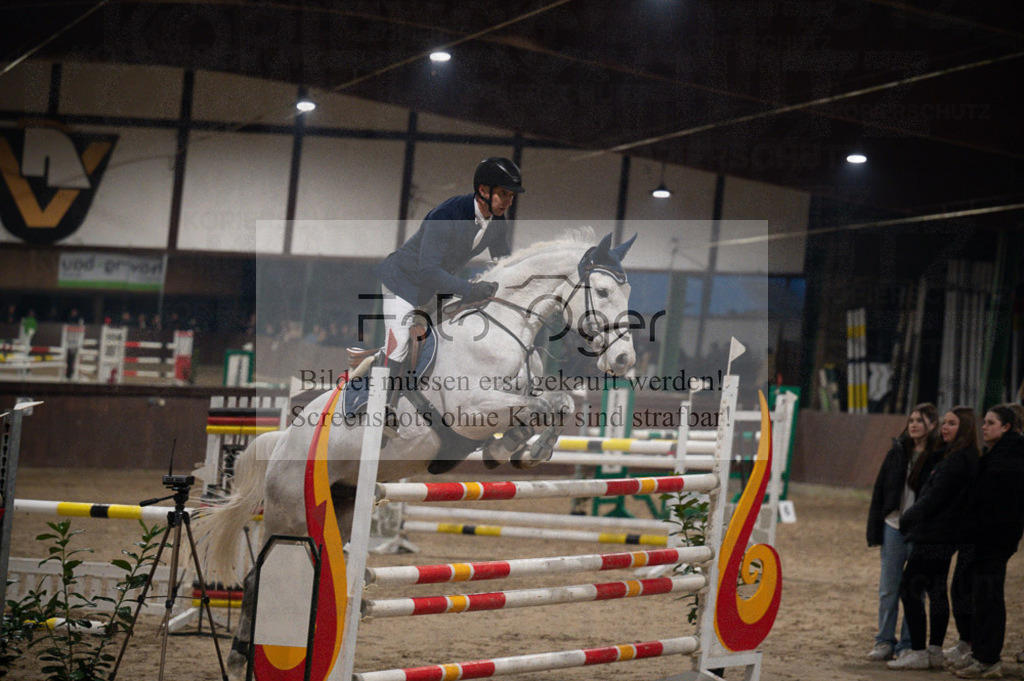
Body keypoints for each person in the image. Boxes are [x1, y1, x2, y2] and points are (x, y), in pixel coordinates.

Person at [372, 157, 523, 366]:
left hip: (435, 288)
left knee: (454, 337)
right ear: (483, 191)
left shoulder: (498, 223)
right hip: (403, 282)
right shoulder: (446, 215)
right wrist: (469, 289)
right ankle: (376, 398)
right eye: (503, 194)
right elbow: (428, 271)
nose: (508, 202)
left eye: (512, 195)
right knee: (398, 347)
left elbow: (504, 263)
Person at [887, 407, 980, 670]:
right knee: (937, 590)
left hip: (935, 536)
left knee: (909, 587)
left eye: (952, 423)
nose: (945, 428)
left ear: (965, 427)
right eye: (945, 423)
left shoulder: (958, 460)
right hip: (944, 536)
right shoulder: (960, 456)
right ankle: (935, 650)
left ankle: (918, 650)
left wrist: (908, 518)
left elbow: (934, 497)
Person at [947, 405, 1024, 678]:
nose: (984, 426)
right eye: (985, 422)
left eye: (991, 423)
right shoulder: (998, 454)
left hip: (992, 542)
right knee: (981, 598)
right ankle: (981, 655)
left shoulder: (1009, 457)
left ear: (1006, 427)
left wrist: (979, 533)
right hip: (987, 541)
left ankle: (988, 659)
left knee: (989, 600)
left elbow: (1001, 506)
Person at [865, 402, 941, 661]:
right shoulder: (897, 451)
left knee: (914, 589)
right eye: (911, 420)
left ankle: (907, 643)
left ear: (932, 424)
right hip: (893, 526)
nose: (914, 424)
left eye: (920, 420)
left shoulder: (938, 455)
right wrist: (876, 525)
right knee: (888, 587)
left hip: (920, 531)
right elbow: (880, 489)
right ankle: (884, 640)